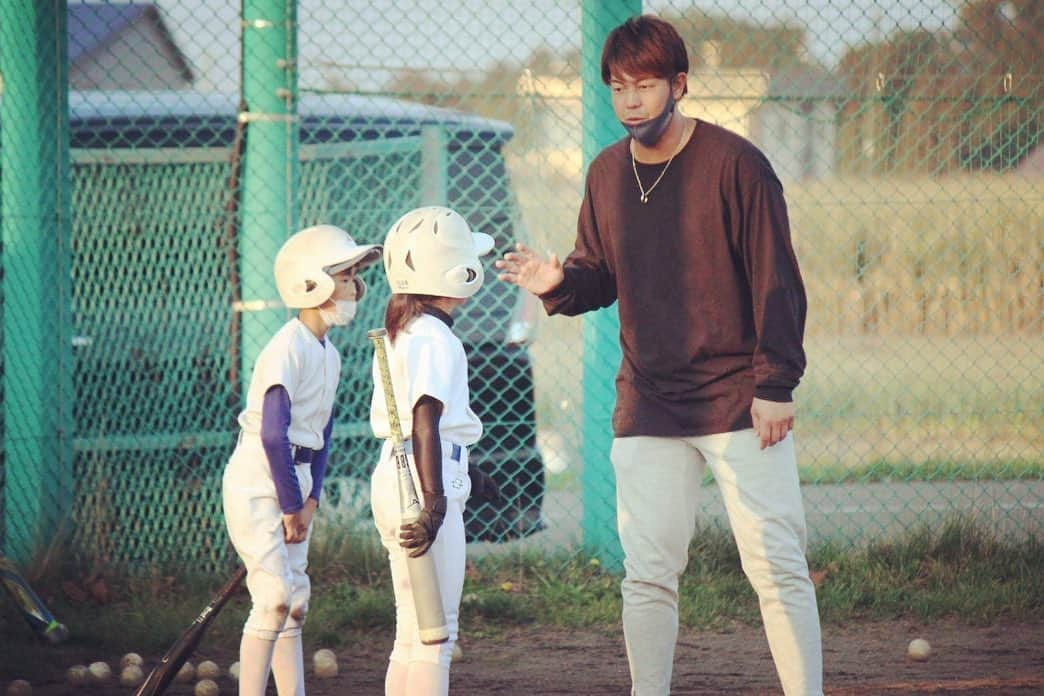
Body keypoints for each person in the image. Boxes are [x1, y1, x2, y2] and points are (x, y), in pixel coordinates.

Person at [495, 15, 823, 696]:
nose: (632, 100)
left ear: (679, 84)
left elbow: (777, 280)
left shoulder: (736, 165)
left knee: (776, 564)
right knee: (647, 572)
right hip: (649, 401)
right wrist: (558, 283)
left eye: (645, 84)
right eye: (618, 87)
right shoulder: (607, 173)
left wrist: (776, 384)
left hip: (740, 400)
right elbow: (598, 273)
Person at [222, 224, 381, 696]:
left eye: (354, 275)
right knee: (272, 599)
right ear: (311, 283)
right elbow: (273, 434)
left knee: (294, 605)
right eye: (345, 274)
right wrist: (292, 503)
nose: (353, 285)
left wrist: (311, 497)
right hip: (259, 478)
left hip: (298, 477)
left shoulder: (327, 353)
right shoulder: (287, 346)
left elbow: (323, 431)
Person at [369, 206, 500, 696]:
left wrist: (470, 472)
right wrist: (436, 501)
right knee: (436, 635)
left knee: (412, 633)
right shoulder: (436, 336)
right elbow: (425, 419)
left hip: (397, 473)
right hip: (419, 482)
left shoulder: (408, 330)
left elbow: (430, 423)